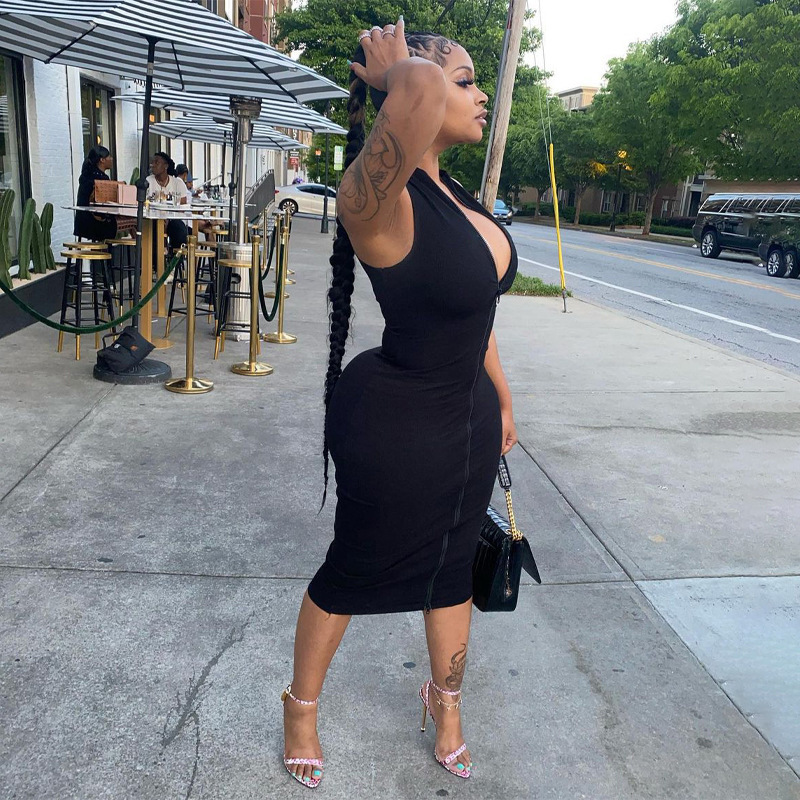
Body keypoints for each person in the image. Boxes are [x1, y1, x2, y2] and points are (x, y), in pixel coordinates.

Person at [282, 19, 518, 790]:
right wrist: (398, 75)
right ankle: (300, 708)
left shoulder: (458, 197)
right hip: (397, 427)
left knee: (451, 573)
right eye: (463, 80)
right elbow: (413, 91)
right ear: (408, 89)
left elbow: (474, 316)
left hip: (467, 422)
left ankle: (446, 705)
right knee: (352, 571)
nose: (480, 96)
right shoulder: (376, 199)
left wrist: (503, 402)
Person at [74, 145, 117, 241]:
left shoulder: (86, 175)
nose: (111, 159)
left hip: (81, 223)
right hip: (94, 223)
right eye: (109, 156)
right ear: (102, 160)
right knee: (119, 223)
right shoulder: (100, 179)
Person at [146, 151, 188, 249]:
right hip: (153, 218)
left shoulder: (177, 183)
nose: (152, 165)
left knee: (180, 230)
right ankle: (156, 257)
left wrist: (168, 217)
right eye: (152, 162)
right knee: (152, 230)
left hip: (173, 219)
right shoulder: (148, 181)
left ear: (165, 166)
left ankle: (176, 256)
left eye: (156, 162)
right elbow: (144, 202)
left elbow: (183, 204)